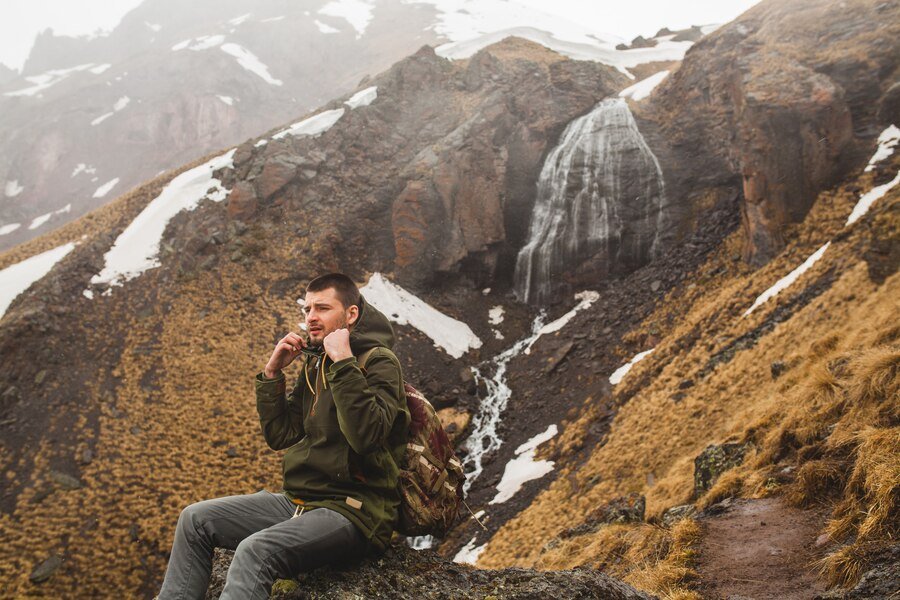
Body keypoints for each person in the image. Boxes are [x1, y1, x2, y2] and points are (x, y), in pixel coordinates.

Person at [157, 273, 410, 599]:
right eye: (307, 310)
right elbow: (280, 434)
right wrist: (272, 374)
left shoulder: (377, 362)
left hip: (356, 511)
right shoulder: (315, 363)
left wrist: (344, 361)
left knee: (255, 551)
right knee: (194, 520)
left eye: (322, 308)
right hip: (302, 501)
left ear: (351, 314)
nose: (311, 318)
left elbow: (367, 437)